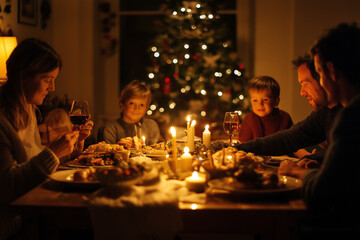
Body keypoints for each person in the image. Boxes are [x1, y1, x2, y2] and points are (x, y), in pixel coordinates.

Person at [0, 38, 91, 239]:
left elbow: (33, 161)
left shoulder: (28, 110)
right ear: (23, 76)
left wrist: (71, 152)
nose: (53, 87)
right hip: (10, 227)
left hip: (29, 216)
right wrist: (53, 152)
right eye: (47, 79)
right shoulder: (2, 119)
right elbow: (7, 186)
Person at [279, 22, 360, 230]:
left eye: (319, 73)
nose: (320, 81)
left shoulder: (351, 116)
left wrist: (296, 172)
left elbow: (322, 193)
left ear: (331, 70)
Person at [234, 54, 342, 163]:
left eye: (305, 83)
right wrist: (237, 148)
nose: (302, 92)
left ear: (325, 77)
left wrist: (311, 160)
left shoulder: (349, 115)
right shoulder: (325, 112)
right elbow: (289, 139)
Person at [98, 80, 160, 145]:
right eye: (131, 103)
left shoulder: (151, 126)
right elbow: (106, 153)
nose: (136, 108)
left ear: (147, 107)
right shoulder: (110, 129)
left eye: (141, 105)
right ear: (122, 105)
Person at [238, 76, 293, 142]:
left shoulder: (285, 118)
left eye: (265, 100)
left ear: (276, 101)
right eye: (255, 100)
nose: (260, 104)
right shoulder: (249, 119)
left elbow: (292, 142)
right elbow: (243, 143)